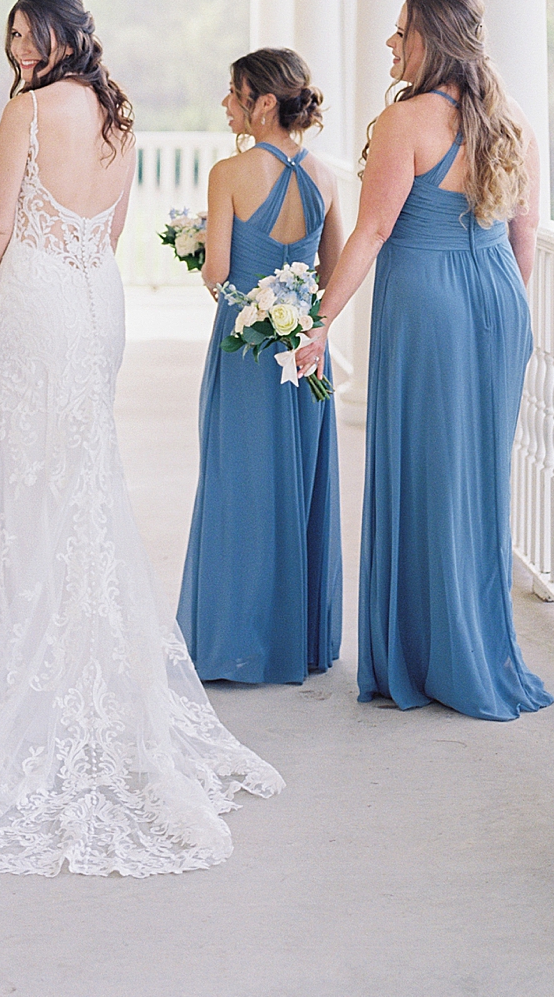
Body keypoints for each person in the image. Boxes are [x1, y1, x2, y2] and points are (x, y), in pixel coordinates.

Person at [0, 0, 282, 877]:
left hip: (39, 297)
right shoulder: (117, 114)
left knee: (34, 481)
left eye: (31, 33)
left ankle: (41, 675)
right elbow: (115, 223)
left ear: (65, 33)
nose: (20, 48)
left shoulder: (29, 108)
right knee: (82, 479)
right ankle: (93, 669)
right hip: (96, 296)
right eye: (12, 35)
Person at [295, 0, 553, 721]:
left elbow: (372, 233)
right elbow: (523, 236)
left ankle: (426, 655)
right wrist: (501, 313)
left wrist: (320, 321)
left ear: (431, 40)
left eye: (400, 31)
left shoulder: (406, 119)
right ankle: (472, 645)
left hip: (429, 306)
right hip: (498, 301)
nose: (390, 43)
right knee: (476, 478)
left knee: (423, 471)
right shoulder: (513, 124)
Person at [178, 48, 344, 684]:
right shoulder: (327, 177)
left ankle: (236, 639)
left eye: (234, 92)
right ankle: (297, 640)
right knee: (296, 483)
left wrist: (204, 255)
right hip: (302, 345)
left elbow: (218, 273)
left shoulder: (229, 172)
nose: (226, 103)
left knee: (237, 481)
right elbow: (331, 275)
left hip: (245, 349)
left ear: (264, 104)